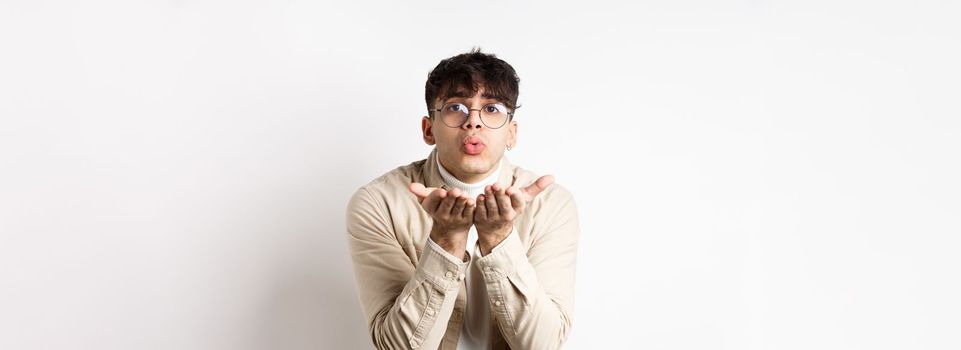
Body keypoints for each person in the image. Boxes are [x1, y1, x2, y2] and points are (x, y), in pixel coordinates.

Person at [346, 49, 580, 350]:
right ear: (429, 129)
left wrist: (498, 238)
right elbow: (398, 347)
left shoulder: (552, 205)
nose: (474, 122)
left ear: (512, 133)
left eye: (492, 108)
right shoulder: (378, 203)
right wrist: (446, 240)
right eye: (456, 106)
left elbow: (541, 345)